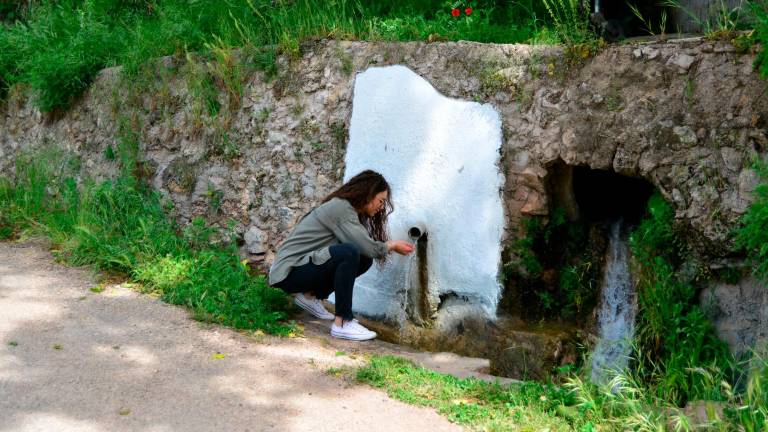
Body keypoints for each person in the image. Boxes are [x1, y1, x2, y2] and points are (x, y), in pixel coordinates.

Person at [269, 170, 415, 341]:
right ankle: (343, 322)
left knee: (362, 258)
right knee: (350, 252)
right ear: (368, 194)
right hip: (288, 272)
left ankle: (310, 296)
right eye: (380, 201)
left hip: (299, 269)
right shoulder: (341, 208)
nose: (381, 207)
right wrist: (392, 245)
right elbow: (369, 247)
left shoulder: (347, 209)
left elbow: (365, 251)